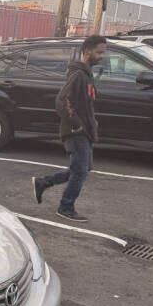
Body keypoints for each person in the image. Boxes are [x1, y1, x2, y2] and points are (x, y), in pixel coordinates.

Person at [32, 35, 108, 223]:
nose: (101, 56)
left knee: (83, 168)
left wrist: (92, 121)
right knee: (80, 170)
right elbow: (62, 100)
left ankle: (43, 182)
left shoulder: (87, 74)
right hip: (75, 132)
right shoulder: (78, 74)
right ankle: (65, 207)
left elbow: (83, 103)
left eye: (103, 52)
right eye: (99, 52)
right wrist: (76, 123)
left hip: (85, 130)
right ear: (87, 51)